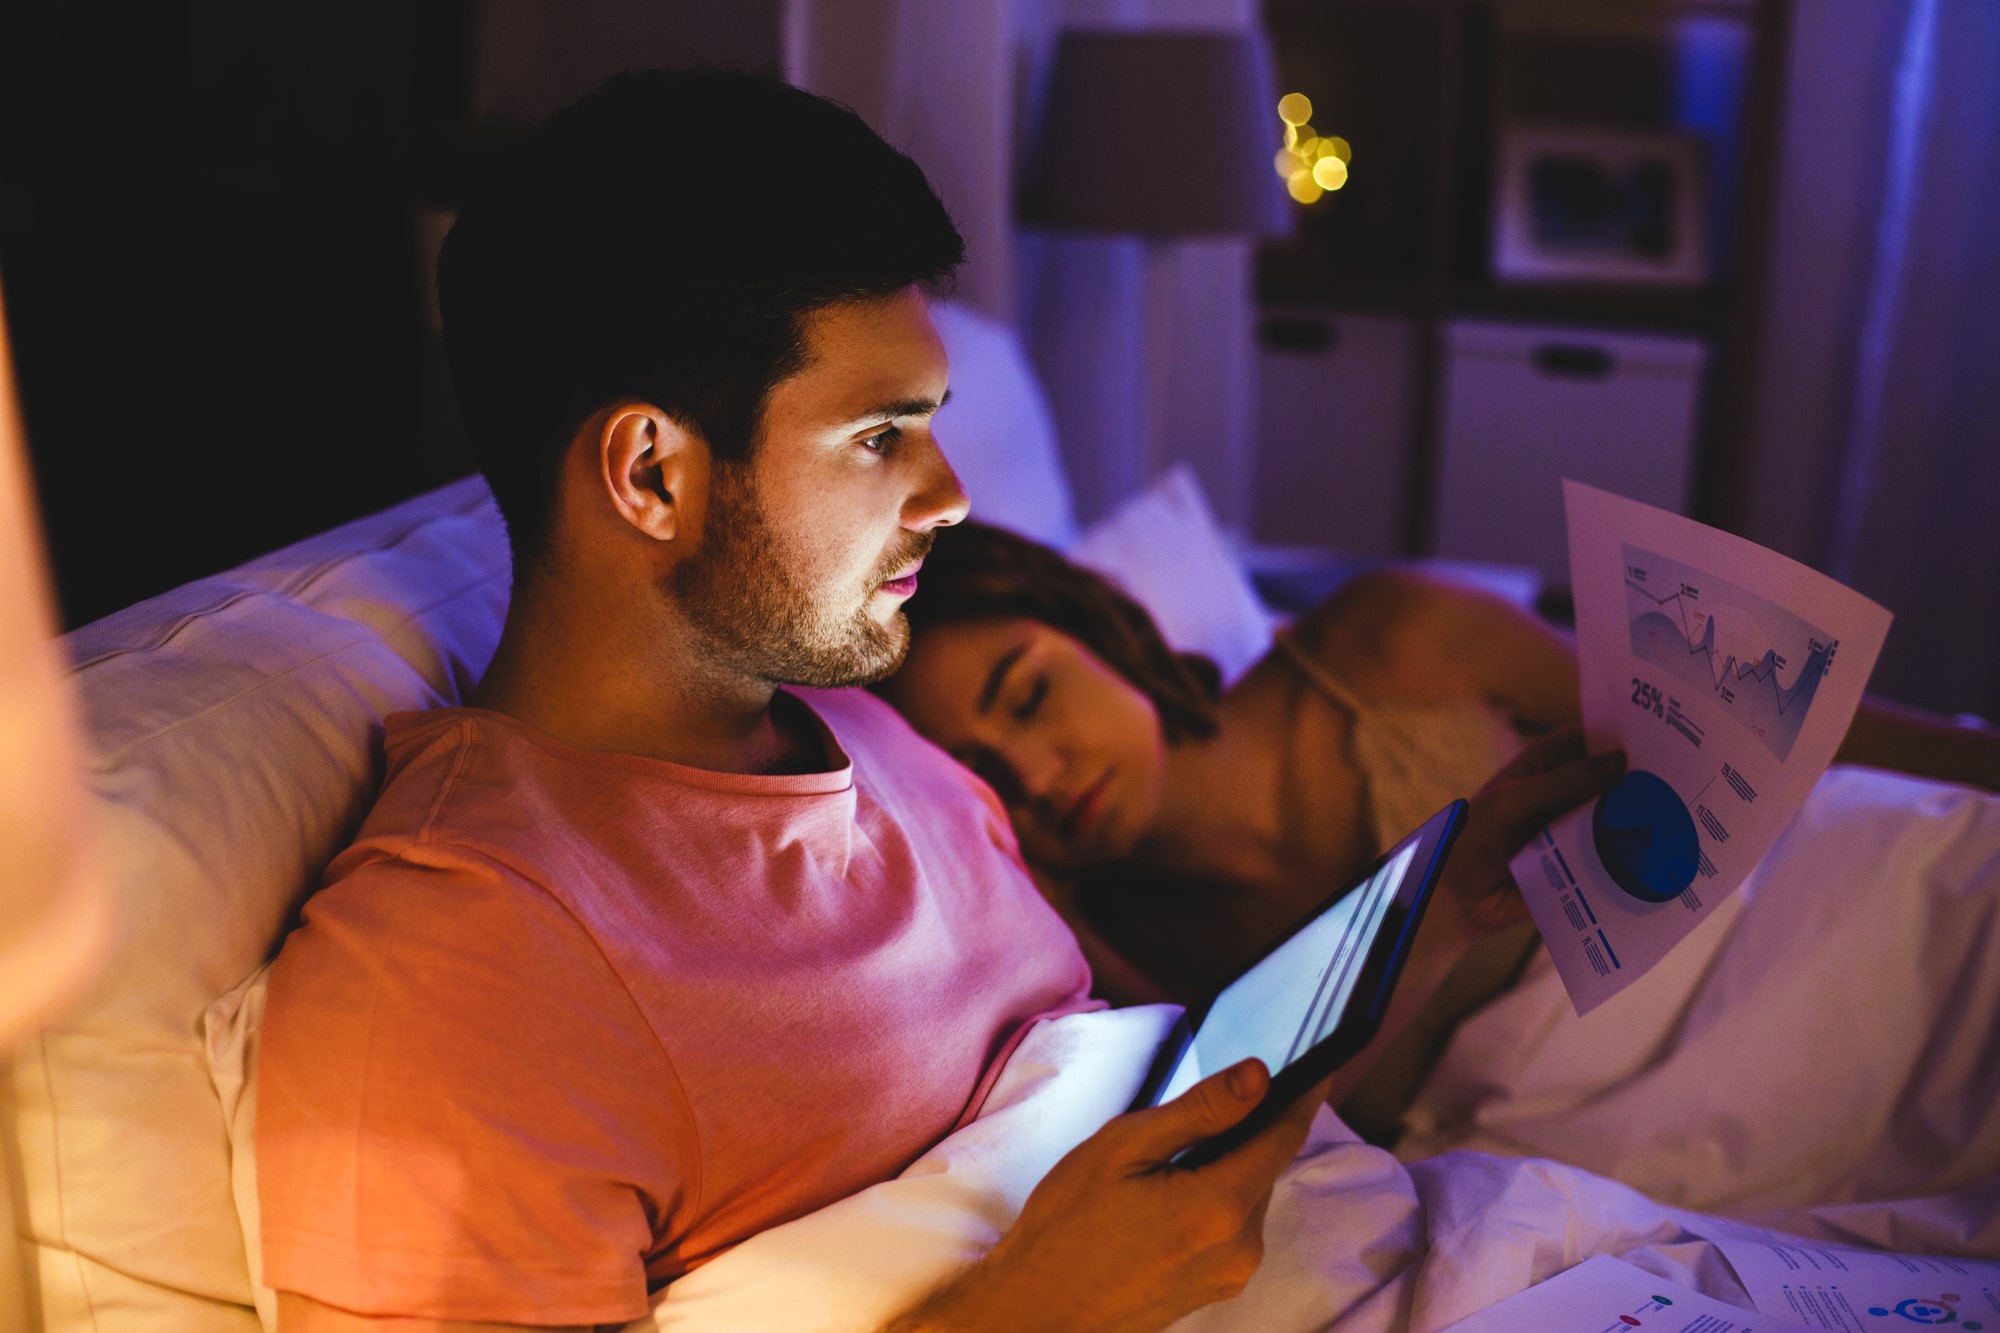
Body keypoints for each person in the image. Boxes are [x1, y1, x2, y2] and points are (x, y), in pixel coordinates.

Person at [256, 69, 1617, 1332]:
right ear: (652, 476)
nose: (951, 492)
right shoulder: (461, 979)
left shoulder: (882, 743)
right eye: (879, 436)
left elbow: (1193, 1095)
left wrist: (1427, 927)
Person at [881, 519, 2000, 1134]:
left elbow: (1749, 725)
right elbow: (1266, 1128)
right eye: (979, 776)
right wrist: (1058, 909)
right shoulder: (1110, 951)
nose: (1034, 773)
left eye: (1027, 695)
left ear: (1096, 627)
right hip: (1648, 1085)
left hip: (1787, 900)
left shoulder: (1385, 641)